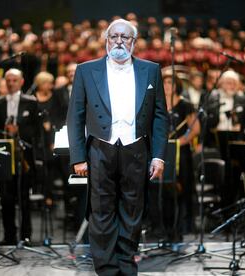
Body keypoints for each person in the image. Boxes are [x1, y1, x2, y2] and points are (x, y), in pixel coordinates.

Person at [67, 19, 169, 275]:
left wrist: (158, 156)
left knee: (133, 210)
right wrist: (78, 157)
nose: (119, 41)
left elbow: (160, 116)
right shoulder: (86, 70)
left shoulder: (151, 70)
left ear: (134, 42)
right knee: (101, 211)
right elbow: (75, 117)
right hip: (100, 149)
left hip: (136, 149)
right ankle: (107, 268)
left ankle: (126, 265)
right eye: (114, 36)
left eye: (125, 37)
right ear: (106, 40)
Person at [0, 68, 39, 245]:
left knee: (24, 197)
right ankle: (9, 235)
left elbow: (36, 129)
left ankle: (26, 235)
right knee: (6, 198)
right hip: (4, 156)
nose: (11, 83)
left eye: (14, 80)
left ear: (22, 82)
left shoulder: (31, 102)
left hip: (24, 156)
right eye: (8, 80)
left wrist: (20, 131)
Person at [162, 69, 200, 236]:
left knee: (183, 188)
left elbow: (195, 128)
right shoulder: (157, 103)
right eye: (164, 82)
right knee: (164, 189)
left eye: (170, 82)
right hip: (163, 152)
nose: (167, 86)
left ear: (177, 85)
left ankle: (185, 225)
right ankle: (165, 225)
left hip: (181, 151)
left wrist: (181, 141)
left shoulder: (185, 105)